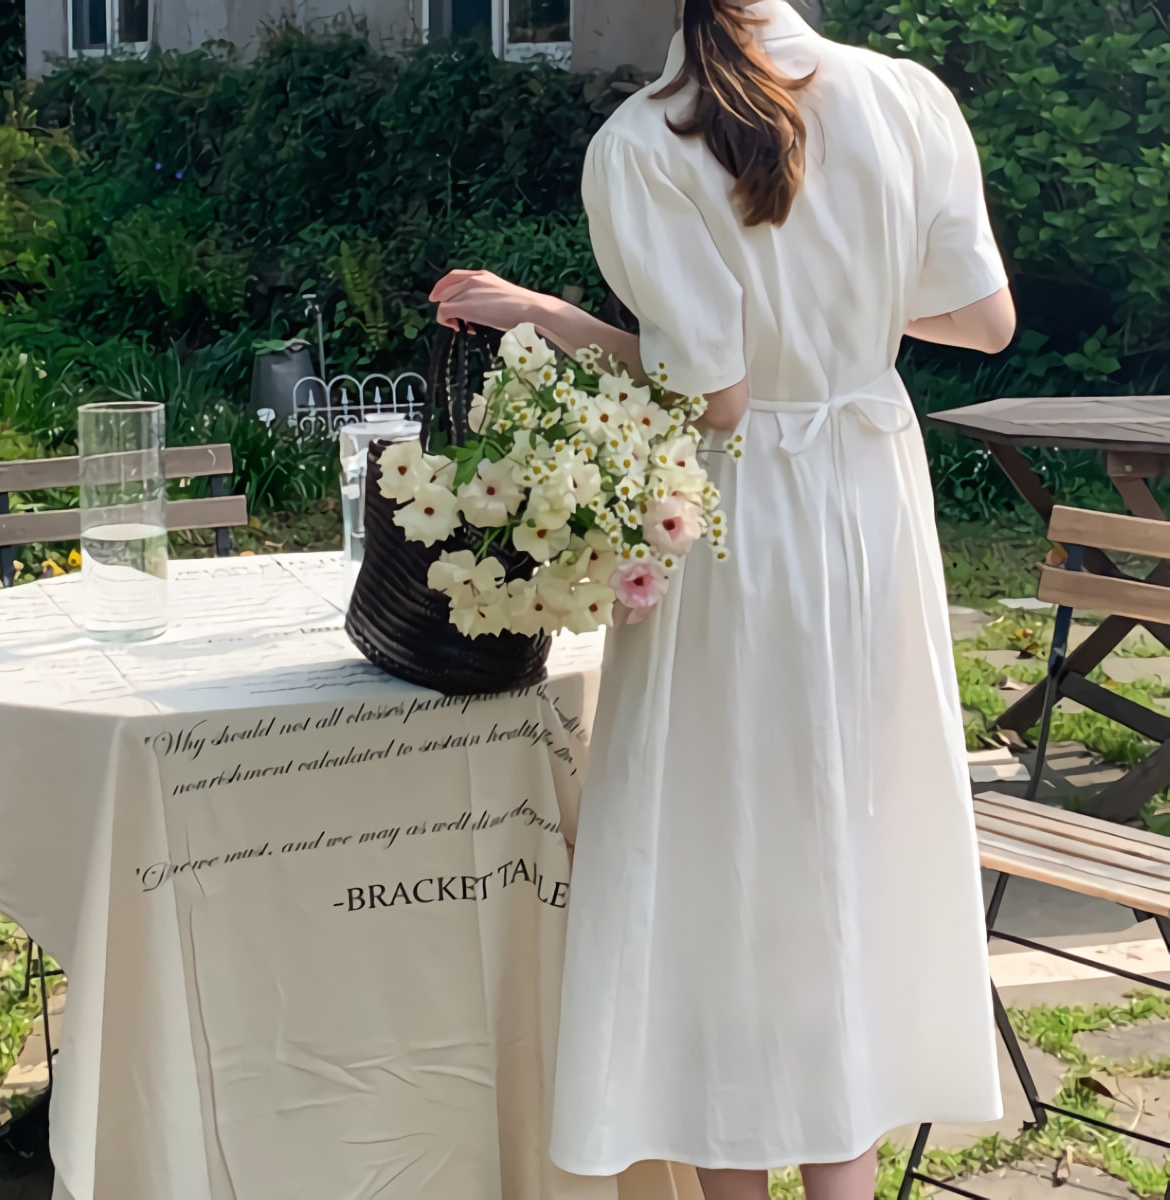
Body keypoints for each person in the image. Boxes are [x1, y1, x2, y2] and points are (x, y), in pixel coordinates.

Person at [430, 0, 1015, 1196]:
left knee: (719, 854)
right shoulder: (906, 98)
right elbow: (985, 321)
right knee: (845, 839)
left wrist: (550, 318)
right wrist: (840, 303)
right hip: (871, 503)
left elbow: (719, 396)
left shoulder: (645, 141)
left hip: (743, 517)